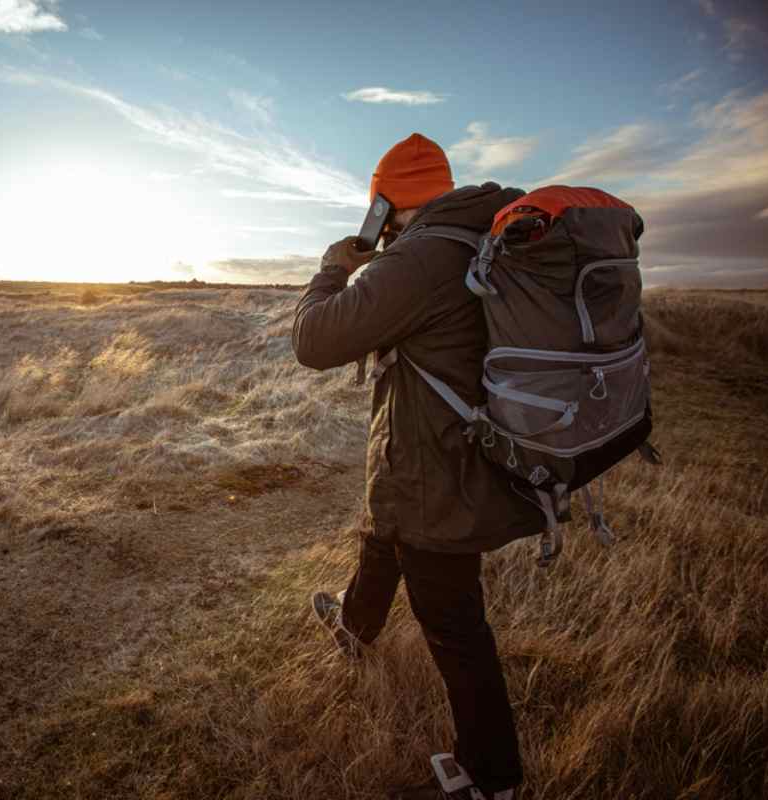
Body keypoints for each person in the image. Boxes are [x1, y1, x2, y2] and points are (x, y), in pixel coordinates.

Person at [291, 133, 543, 800]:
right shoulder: (470, 237)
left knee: (454, 622)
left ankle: (492, 777)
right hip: (440, 454)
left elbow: (314, 341)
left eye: (378, 206)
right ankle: (354, 625)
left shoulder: (422, 256)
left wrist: (330, 266)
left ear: (386, 202)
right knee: (384, 530)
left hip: (438, 473)